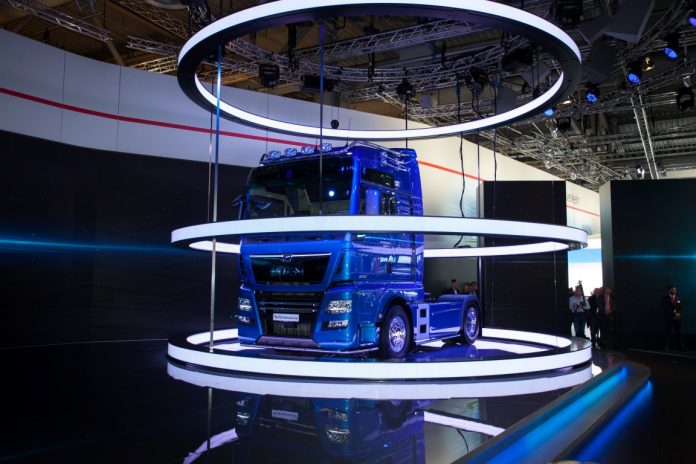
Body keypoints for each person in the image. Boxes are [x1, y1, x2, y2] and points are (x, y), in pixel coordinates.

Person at [662, 284, 686, 350]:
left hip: (677, 319)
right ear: (668, 290)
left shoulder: (678, 298)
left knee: (679, 333)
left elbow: (680, 308)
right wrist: (675, 313)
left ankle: (681, 346)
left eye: (675, 289)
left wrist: (679, 314)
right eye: (673, 289)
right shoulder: (665, 299)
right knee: (668, 332)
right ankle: (666, 346)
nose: (674, 290)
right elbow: (666, 309)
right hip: (669, 319)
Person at [596, 285, 616, 349]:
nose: (607, 290)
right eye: (606, 289)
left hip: (610, 315)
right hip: (602, 315)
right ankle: (603, 343)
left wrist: (611, 310)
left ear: (611, 290)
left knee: (609, 329)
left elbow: (614, 305)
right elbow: (598, 304)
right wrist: (604, 310)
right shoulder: (600, 296)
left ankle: (608, 342)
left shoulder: (612, 297)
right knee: (603, 329)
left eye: (609, 289)